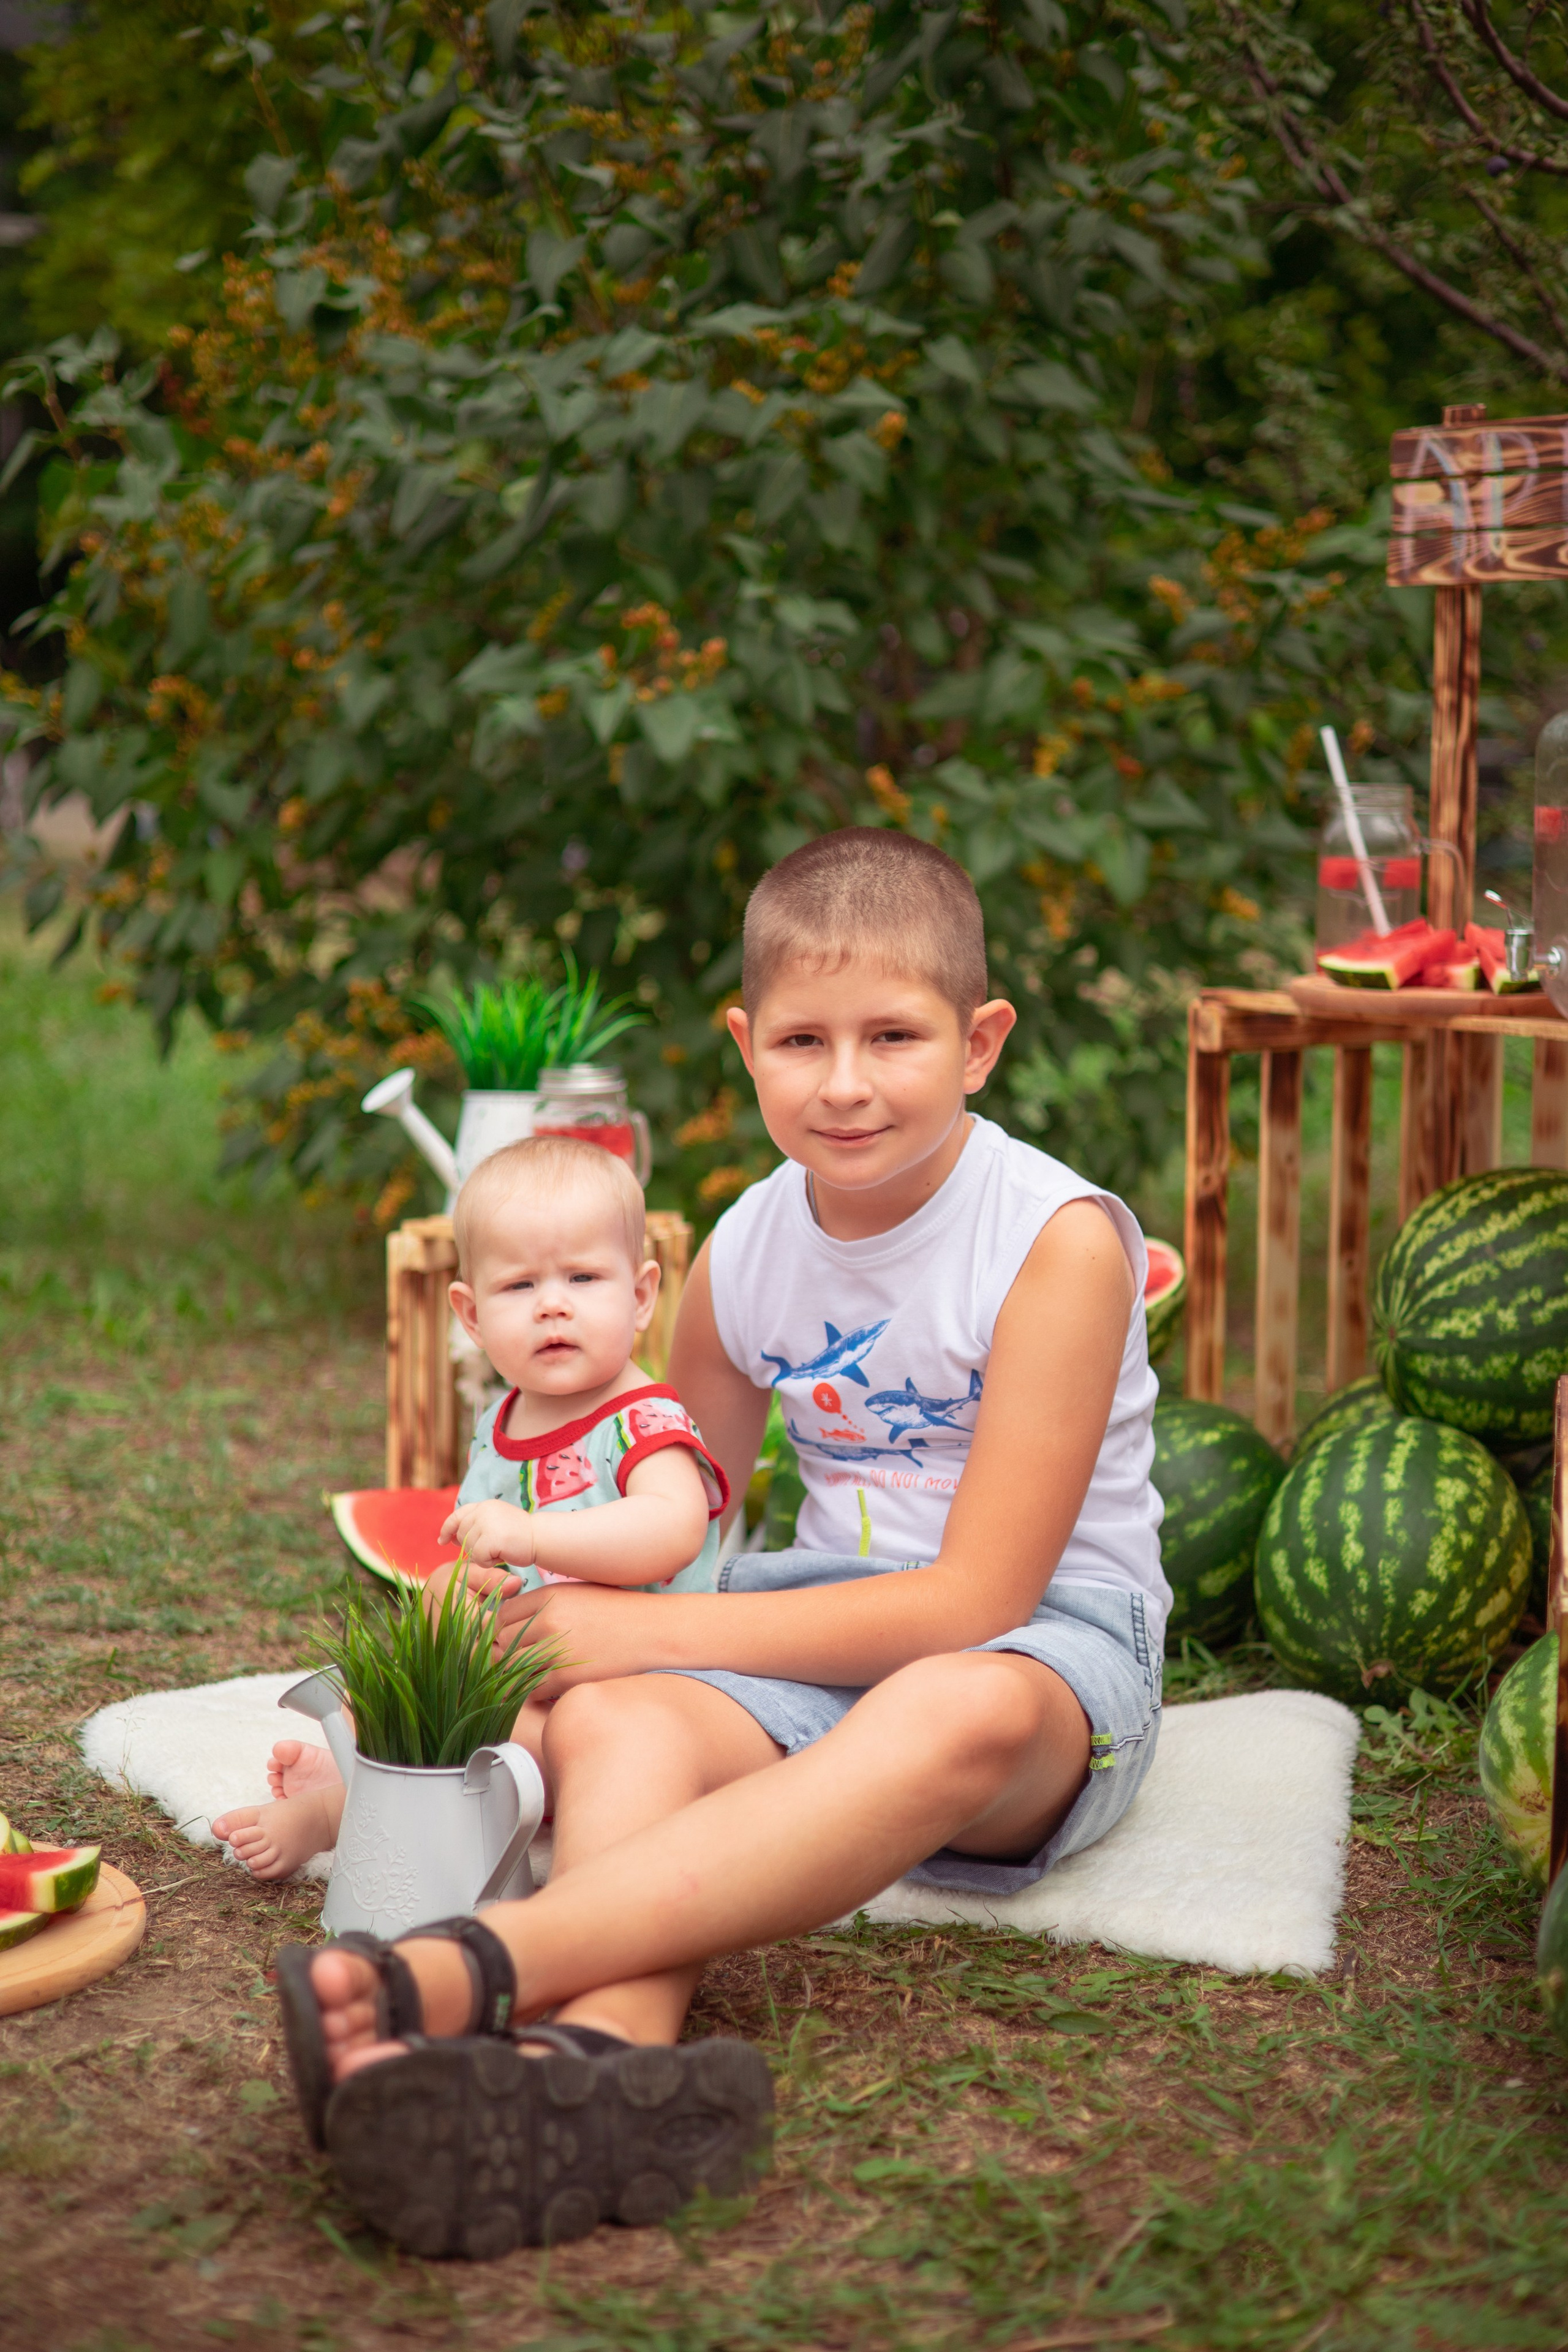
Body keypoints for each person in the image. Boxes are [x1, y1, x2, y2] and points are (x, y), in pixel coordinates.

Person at [273, 828, 1169, 2261]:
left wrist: (646, 1629)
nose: (846, 1081)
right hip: (810, 1618)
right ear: (746, 1044)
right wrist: (534, 1591)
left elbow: (978, 1597)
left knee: (957, 1692)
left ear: (980, 1042)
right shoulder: (748, 1246)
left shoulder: (1053, 1238)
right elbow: (666, 1521)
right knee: (622, 1716)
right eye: (802, 1039)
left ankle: (460, 1972)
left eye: (894, 1035)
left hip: (1047, 1640)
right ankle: (595, 2069)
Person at [213, 1134, 728, 1879]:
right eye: (520, 1287)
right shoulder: (502, 1423)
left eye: (584, 1278)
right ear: (472, 1313)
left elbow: (671, 1530)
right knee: (415, 1681)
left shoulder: (644, 1421)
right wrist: (456, 1598)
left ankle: (339, 1810)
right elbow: (487, 1565)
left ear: (641, 1295)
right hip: (527, 1669)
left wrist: (534, 1534)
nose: (553, 1304)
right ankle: (359, 1766)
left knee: (505, 1745)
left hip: (632, 1696)